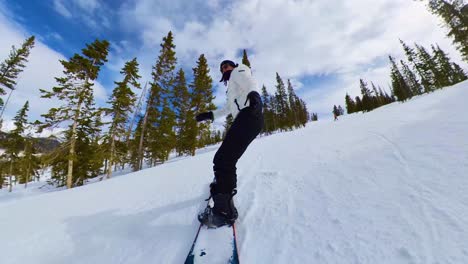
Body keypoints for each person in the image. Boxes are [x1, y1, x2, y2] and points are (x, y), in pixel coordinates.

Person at [195, 60, 264, 228]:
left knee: (223, 160)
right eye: (222, 68)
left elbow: (250, 82)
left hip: (250, 115)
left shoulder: (238, 71)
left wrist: (255, 97)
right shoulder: (232, 88)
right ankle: (224, 192)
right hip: (245, 118)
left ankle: (224, 212)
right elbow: (227, 108)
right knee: (225, 159)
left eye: (226, 66)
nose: (224, 69)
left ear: (232, 66)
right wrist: (209, 115)